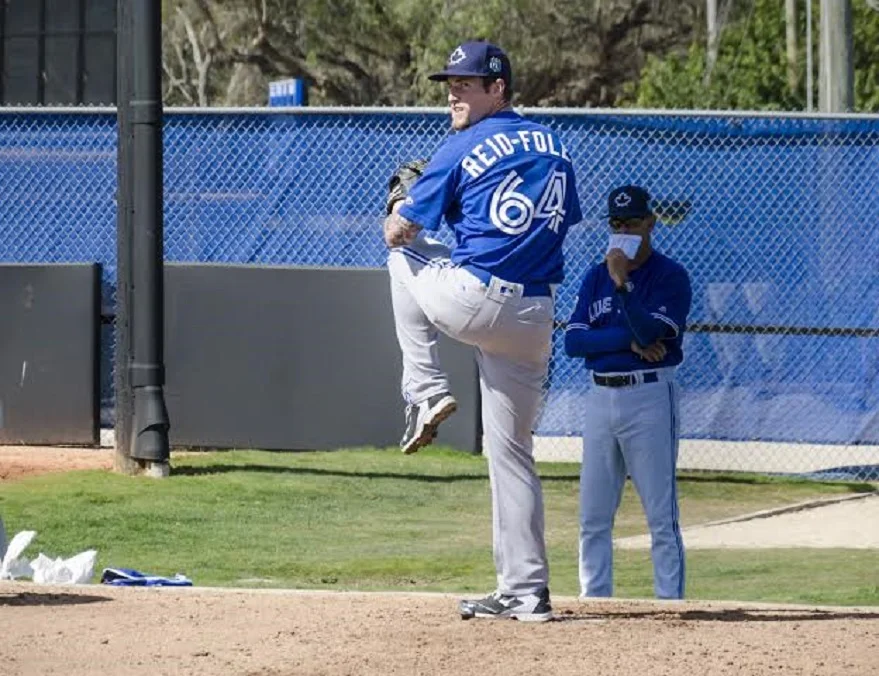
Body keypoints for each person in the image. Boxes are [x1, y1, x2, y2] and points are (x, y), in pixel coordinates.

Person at [383, 40, 582, 621]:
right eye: (450, 82)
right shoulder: (556, 146)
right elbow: (558, 222)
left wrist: (399, 198)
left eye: (466, 83)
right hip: (535, 316)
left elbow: (399, 231)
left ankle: (423, 392)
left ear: (498, 88)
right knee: (513, 452)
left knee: (399, 257)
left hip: (478, 300)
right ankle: (526, 592)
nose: (453, 91)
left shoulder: (461, 144)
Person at [564, 185, 692, 600]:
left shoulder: (669, 276)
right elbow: (574, 342)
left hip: (650, 397)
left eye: (632, 222)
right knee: (594, 515)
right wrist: (627, 341)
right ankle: (594, 599)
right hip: (601, 397)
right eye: (616, 223)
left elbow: (652, 332)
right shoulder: (592, 276)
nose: (623, 230)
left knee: (661, 516)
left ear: (650, 224)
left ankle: (670, 604)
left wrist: (622, 284)